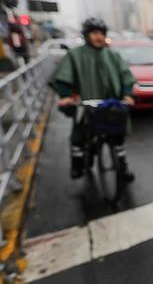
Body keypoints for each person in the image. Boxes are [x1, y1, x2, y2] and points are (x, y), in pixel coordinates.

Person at [50, 17, 137, 180]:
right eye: (94, 33)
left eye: (101, 33)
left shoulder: (113, 56)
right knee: (79, 135)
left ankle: (122, 168)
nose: (99, 37)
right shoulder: (75, 55)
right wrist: (66, 97)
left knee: (118, 138)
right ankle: (79, 164)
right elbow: (63, 77)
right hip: (86, 105)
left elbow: (126, 76)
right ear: (87, 35)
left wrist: (127, 94)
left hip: (111, 105)